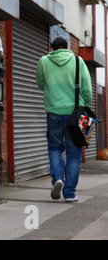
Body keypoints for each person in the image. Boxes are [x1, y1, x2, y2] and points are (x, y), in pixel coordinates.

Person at [36, 37, 92, 202]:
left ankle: (58, 178)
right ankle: (70, 194)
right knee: (74, 155)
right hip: (75, 112)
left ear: (52, 48)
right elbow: (87, 88)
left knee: (54, 148)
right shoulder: (77, 61)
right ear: (67, 48)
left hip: (53, 112)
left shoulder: (44, 61)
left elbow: (40, 84)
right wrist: (84, 105)